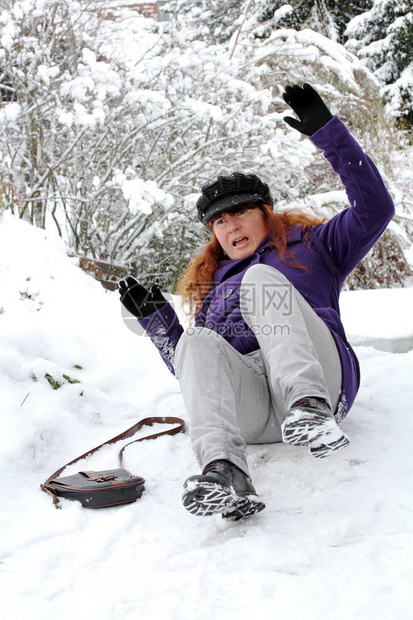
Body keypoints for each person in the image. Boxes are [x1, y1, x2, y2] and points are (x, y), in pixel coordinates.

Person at [119, 83, 395, 522]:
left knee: (261, 279)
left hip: (320, 384)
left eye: (241, 213)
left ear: (266, 213)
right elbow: (198, 376)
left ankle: (310, 408)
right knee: (197, 341)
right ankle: (225, 471)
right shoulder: (214, 286)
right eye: (220, 222)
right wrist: (158, 321)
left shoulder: (314, 245)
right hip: (259, 416)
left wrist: (328, 132)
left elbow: (375, 208)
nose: (231, 227)